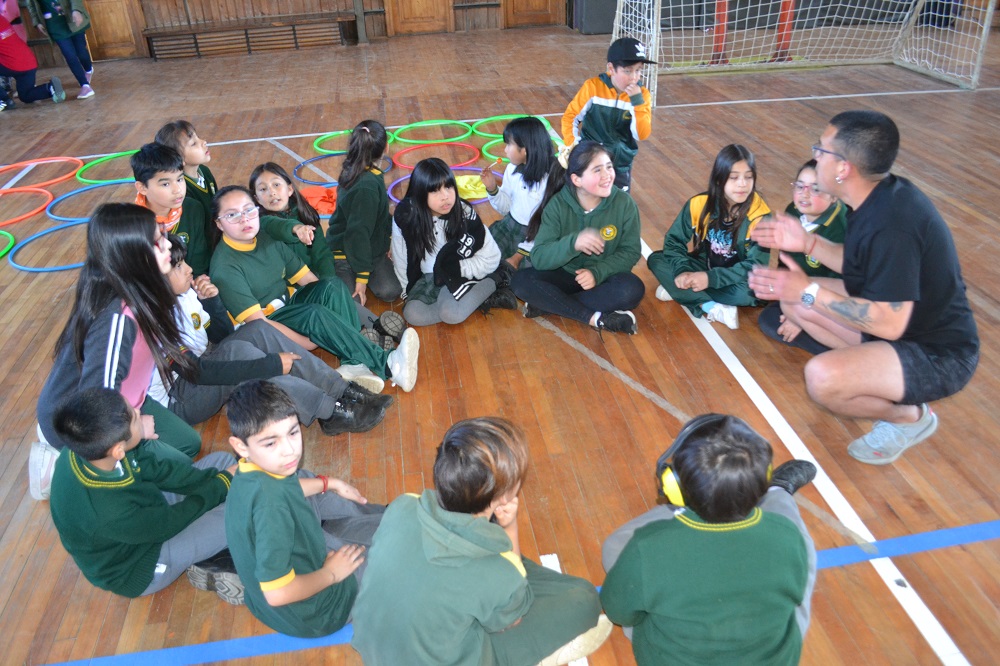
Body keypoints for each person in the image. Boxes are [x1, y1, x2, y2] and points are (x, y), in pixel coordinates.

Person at [748, 110, 979, 465]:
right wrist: (806, 244)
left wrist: (808, 291)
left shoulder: (893, 226)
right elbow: (857, 264)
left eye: (822, 150)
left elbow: (889, 323)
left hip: (938, 354)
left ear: (843, 168)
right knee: (791, 302)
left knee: (822, 377)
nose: (816, 156)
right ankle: (874, 373)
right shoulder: (875, 197)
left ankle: (910, 417)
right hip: (902, 324)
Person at [352, 416, 612, 666]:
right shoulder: (494, 571)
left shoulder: (403, 504)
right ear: (503, 495)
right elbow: (511, 621)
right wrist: (510, 526)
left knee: (501, 580)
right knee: (584, 599)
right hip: (447, 655)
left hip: (377, 650)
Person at [600, 414, 817, 665]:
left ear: (674, 487)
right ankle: (778, 490)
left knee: (614, 548)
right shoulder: (784, 533)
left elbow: (618, 611)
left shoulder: (648, 547)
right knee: (800, 543)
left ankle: (685, 510)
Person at [35, 204, 203, 504]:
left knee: (189, 445)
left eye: (162, 234)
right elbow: (95, 402)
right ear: (132, 255)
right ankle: (63, 462)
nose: (167, 244)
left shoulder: (141, 291)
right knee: (170, 477)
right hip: (89, 423)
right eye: (156, 241)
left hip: (128, 402)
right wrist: (132, 431)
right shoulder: (117, 319)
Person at [149, 234, 391, 435]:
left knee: (259, 329)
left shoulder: (185, 294)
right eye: (178, 266)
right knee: (240, 353)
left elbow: (220, 336)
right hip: (180, 397)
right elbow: (199, 373)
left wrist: (212, 303)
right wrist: (269, 364)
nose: (190, 269)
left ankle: (341, 389)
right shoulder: (151, 320)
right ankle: (329, 411)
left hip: (206, 362)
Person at [209, 185, 420, 393]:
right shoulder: (225, 267)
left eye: (248, 210)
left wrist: (332, 312)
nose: (244, 219)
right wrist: (309, 341)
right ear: (219, 224)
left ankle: (355, 363)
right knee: (315, 314)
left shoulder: (266, 237)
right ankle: (389, 365)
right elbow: (259, 326)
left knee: (333, 285)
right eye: (232, 215)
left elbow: (310, 282)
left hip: (289, 308)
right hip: (265, 328)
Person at [224, 380, 385, 638]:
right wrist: (331, 573)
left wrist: (329, 483)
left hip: (267, 604)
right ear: (241, 446)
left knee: (316, 491)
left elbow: (289, 490)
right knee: (401, 558)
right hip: (321, 610)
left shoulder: (250, 471)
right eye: (270, 443)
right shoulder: (271, 508)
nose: (289, 451)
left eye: (293, 432)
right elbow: (277, 594)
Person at [48, 387, 242, 601]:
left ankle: (210, 554)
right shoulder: (107, 512)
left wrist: (216, 480)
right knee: (241, 511)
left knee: (223, 462)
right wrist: (221, 483)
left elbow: (158, 469)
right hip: (142, 562)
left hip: (147, 514)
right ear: (118, 450)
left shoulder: (90, 446)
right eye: (133, 417)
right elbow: (169, 523)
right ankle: (211, 560)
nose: (139, 413)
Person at [251, 160, 402, 348]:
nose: (271, 192)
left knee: (341, 299)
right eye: (263, 189)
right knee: (339, 309)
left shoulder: (305, 213)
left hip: (316, 281)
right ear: (256, 199)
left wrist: (330, 285)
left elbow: (322, 253)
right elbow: (278, 226)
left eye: (276, 184)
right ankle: (366, 338)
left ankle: (380, 328)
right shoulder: (262, 225)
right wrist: (297, 228)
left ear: (289, 189)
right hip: (294, 293)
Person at [510, 141, 644, 335]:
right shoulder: (558, 205)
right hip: (564, 274)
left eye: (609, 167)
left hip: (603, 278)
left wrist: (597, 273)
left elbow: (631, 252)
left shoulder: (624, 203)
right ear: (577, 180)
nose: (608, 175)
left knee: (632, 289)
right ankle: (595, 318)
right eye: (597, 170)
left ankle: (552, 304)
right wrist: (573, 244)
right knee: (520, 281)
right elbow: (539, 257)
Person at [647, 144, 771, 330]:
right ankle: (709, 306)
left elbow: (753, 266)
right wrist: (682, 271)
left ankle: (679, 289)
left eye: (748, 177)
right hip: (705, 265)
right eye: (734, 178)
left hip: (738, 280)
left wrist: (709, 279)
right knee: (656, 259)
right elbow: (674, 241)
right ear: (719, 180)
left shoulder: (761, 216)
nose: (742, 184)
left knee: (748, 294)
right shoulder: (699, 204)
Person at [390, 157, 516, 325]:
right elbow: (400, 254)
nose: (445, 197)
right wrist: (406, 289)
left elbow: (491, 257)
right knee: (412, 314)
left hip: (460, 272)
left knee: (451, 314)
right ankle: (470, 301)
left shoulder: (465, 216)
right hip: (429, 276)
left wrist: (457, 269)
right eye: (435, 191)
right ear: (420, 194)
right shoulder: (406, 215)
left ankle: (496, 279)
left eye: (449, 187)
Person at [758, 160, 848, 354]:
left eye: (815, 189)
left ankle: (846, 349)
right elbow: (785, 261)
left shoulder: (842, 228)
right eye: (799, 186)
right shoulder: (793, 212)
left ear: (834, 196)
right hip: (803, 292)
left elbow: (841, 289)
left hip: (838, 303)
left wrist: (802, 316)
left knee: (777, 319)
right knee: (768, 319)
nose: (804, 194)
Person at [326, 120, 404, 304]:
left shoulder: (362, 171)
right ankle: (344, 270)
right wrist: (362, 279)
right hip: (345, 250)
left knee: (391, 291)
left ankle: (360, 269)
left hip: (370, 248)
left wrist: (391, 239)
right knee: (350, 303)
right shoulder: (366, 187)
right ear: (386, 147)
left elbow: (379, 217)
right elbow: (357, 234)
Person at [561, 37, 655, 191]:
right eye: (628, 71)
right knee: (586, 204)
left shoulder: (642, 96)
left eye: (638, 70)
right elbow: (570, 117)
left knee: (618, 209)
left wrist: (637, 104)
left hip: (620, 165)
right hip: (590, 161)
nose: (634, 77)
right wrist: (574, 146)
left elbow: (641, 135)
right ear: (611, 69)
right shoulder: (593, 87)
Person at [479, 116, 554, 269]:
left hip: (538, 236)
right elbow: (505, 208)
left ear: (525, 150)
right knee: (482, 257)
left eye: (509, 145)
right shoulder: (512, 169)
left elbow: (549, 227)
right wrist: (493, 189)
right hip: (509, 226)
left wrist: (519, 255)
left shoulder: (551, 178)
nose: (505, 150)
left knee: (523, 272)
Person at [132, 142, 213, 277]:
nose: (178, 190)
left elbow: (200, 260)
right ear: (142, 188)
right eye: (165, 184)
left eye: (180, 179)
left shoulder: (193, 209)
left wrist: (200, 280)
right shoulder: (132, 225)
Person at [154, 120, 218, 232]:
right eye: (194, 143)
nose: (204, 142)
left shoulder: (204, 171)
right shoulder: (182, 191)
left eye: (198, 138)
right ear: (179, 158)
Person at [24, 0, 94, 99]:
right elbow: (31, 5)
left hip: (73, 19)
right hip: (54, 25)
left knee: (81, 51)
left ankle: (88, 69)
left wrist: (76, 10)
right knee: (69, 55)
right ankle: (85, 86)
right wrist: (37, 22)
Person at [0, 10, 64, 110]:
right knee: (25, 96)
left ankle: (4, 101)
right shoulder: (2, 19)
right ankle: (51, 88)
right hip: (29, 62)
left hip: (13, 64)